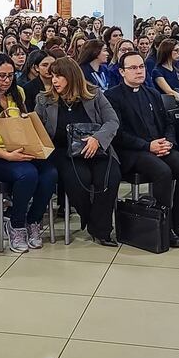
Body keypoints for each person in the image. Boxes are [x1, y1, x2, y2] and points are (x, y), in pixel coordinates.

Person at [106, 51, 179, 247]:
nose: (139, 71)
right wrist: (148, 146)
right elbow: (118, 134)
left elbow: (168, 123)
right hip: (133, 152)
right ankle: (163, 226)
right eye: (133, 68)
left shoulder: (152, 93)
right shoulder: (112, 96)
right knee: (163, 172)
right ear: (122, 72)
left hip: (159, 145)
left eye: (141, 67)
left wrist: (169, 142)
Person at [0, 54, 57, 252]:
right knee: (27, 173)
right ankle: (15, 222)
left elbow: (22, 124)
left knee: (50, 172)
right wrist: (8, 156)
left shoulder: (18, 92)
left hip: (20, 147)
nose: (6, 81)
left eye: (10, 76)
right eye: (1, 76)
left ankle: (33, 220)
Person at [35, 57, 121, 246]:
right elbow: (37, 129)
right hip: (63, 152)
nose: (54, 80)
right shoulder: (44, 99)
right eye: (53, 76)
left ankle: (102, 229)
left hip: (97, 149)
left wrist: (97, 139)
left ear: (72, 76)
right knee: (78, 180)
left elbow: (112, 121)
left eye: (59, 76)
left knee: (108, 178)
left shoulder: (94, 94)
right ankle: (94, 223)